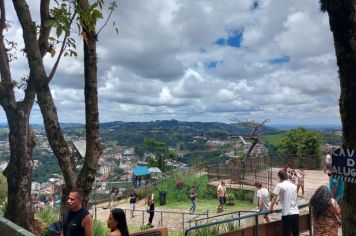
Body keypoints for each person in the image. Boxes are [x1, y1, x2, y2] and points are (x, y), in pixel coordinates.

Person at [270, 170, 299, 236]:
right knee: (296, 233)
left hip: (287, 214)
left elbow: (274, 197)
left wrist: (271, 208)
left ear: (279, 177)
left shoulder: (279, 185)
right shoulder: (294, 185)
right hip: (296, 213)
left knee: (287, 233)